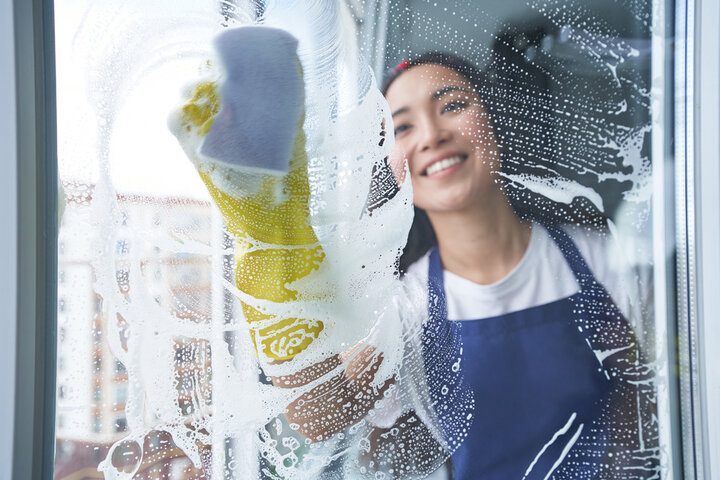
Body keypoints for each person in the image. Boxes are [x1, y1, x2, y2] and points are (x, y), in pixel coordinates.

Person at [379, 52, 659, 479]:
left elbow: (656, 398)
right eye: (402, 127)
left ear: (496, 122)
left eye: (452, 106)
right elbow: (363, 440)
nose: (432, 135)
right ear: (392, 170)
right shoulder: (404, 311)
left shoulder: (604, 261)